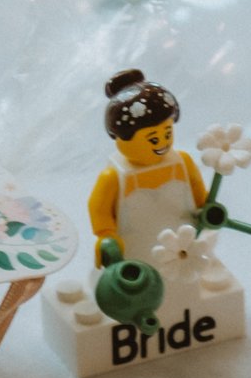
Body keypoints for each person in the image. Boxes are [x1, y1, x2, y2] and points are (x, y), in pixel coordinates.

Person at [88, 68, 209, 267]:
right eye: (152, 138)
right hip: (135, 256)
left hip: (183, 252)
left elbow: (199, 195)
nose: (162, 142)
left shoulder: (183, 163)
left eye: (167, 133)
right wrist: (106, 235)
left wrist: (208, 209)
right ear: (121, 139)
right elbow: (99, 209)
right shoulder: (114, 176)